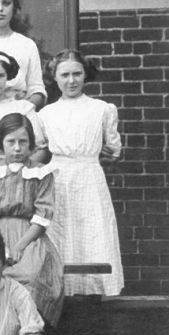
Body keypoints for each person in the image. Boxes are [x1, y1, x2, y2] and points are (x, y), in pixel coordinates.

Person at [39, 50, 124, 296]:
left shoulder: (101, 109)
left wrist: (99, 153)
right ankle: (61, 293)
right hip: (58, 178)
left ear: (85, 75)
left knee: (92, 231)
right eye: (64, 75)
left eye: (77, 74)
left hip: (89, 176)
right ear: (55, 78)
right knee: (61, 232)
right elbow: (41, 148)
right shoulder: (45, 114)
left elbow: (114, 150)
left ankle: (93, 292)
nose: (71, 80)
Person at [0, 114, 64, 326]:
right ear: (1, 143)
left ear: (31, 144)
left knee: (31, 273)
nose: (17, 148)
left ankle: (27, 331)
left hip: (29, 236)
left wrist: (19, 246)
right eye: (11, 142)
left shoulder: (41, 172)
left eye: (23, 142)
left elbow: (43, 214)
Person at [0, 51, 46, 165]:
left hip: (19, 175)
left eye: (0, 76)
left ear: (7, 76)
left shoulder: (23, 108)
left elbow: (41, 150)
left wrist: (15, 172)